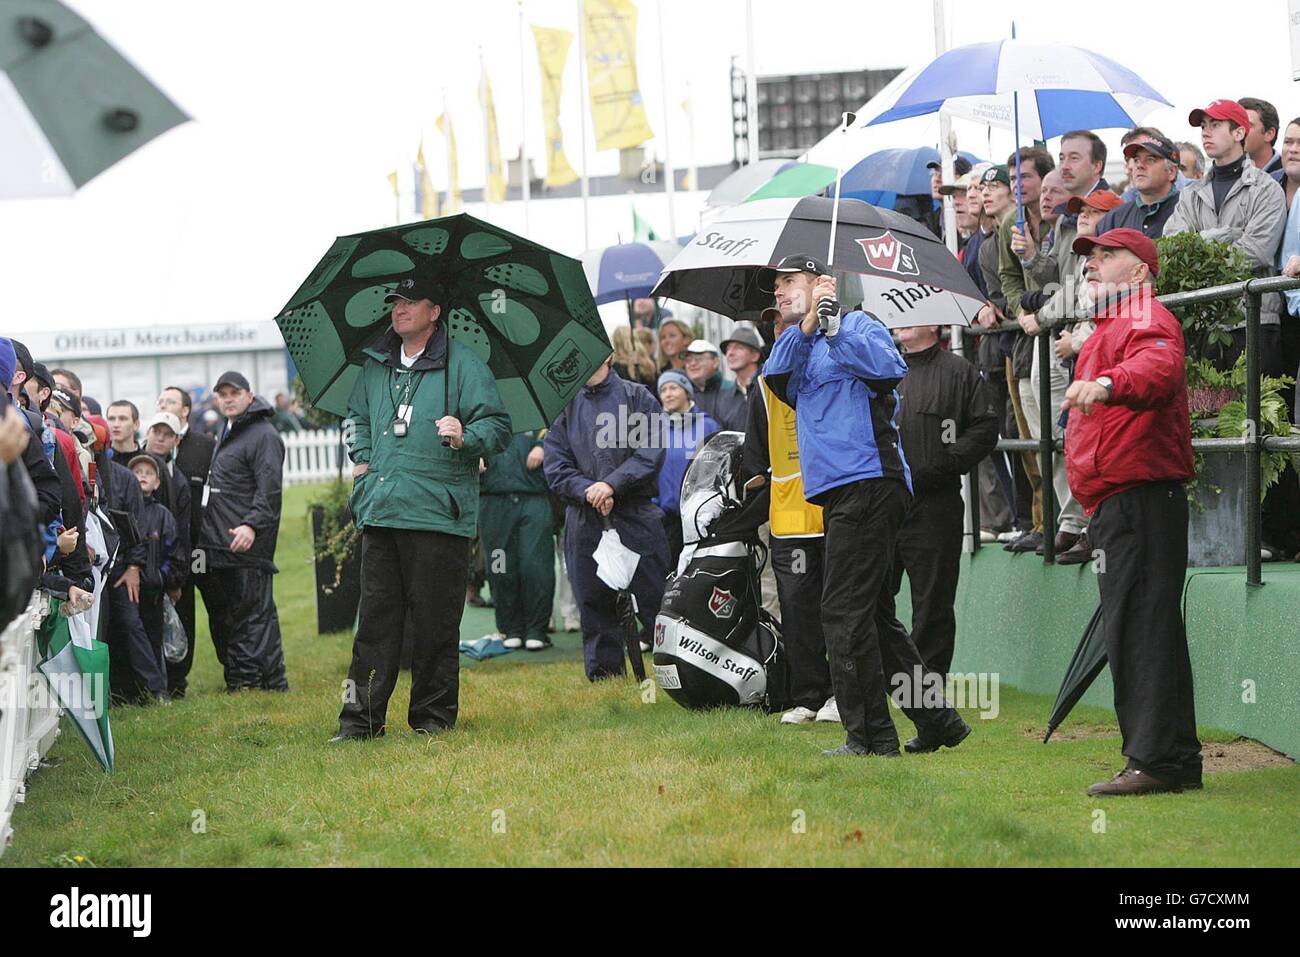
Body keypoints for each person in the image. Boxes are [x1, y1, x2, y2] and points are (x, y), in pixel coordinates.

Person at [763, 276, 970, 757]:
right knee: (873, 616)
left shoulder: (860, 324)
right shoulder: (799, 343)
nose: (778, 292)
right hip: (843, 491)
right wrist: (812, 322)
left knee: (842, 612)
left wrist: (835, 326)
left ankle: (872, 737)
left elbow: (886, 368)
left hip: (869, 482)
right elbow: (777, 377)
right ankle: (937, 721)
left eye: (788, 283)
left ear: (821, 283)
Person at [334, 277, 510, 738]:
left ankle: (432, 720)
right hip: (382, 510)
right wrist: (363, 457)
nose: (400, 309)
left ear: (435, 311)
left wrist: (466, 435)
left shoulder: (464, 365)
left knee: (435, 625)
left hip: (438, 515)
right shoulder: (374, 365)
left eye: (411, 302)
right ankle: (359, 722)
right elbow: (354, 418)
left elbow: (497, 425)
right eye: (396, 301)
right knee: (374, 625)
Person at [1063, 228, 1200, 796]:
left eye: (1107, 255)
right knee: (1146, 626)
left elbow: (1160, 369)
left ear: (1140, 271)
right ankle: (1171, 759)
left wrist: (1106, 381)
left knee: (1141, 628)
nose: (1093, 264)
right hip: (1122, 499)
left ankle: (1157, 761)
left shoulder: (1146, 316)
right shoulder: (1114, 323)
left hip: (1139, 496)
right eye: (1090, 256)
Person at [742, 262, 834, 726]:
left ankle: (841, 693)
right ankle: (809, 695)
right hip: (788, 514)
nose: (777, 326)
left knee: (835, 605)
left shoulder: (832, 355)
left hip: (834, 502)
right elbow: (754, 455)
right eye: (773, 325)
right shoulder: (762, 383)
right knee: (797, 608)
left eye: (781, 315)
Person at [544, 355, 669, 681]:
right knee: (593, 601)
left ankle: (672, 672)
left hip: (635, 513)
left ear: (609, 355)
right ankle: (606, 679)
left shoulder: (639, 397)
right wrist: (589, 490)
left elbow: (650, 452)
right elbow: (555, 467)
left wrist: (611, 484)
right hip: (584, 518)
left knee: (654, 597)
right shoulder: (564, 407)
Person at [892, 324, 1000, 679]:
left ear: (934, 322)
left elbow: (985, 428)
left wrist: (946, 463)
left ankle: (927, 692)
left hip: (935, 505)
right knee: (871, 598)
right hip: (884, 504)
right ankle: (878, 679)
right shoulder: (882, 368)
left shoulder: (960, 372)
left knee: (933, 604)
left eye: (913, 311)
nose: (901, 319)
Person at [1165, 99, 1288, 375]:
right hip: (1203, 326)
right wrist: (1229, 235)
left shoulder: (1266, 189)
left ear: (1239, 133)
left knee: (1256, 416)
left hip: (1255, 320)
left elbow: (1256, 251)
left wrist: (1201, 242)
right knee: (1207, 417)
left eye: (1215, 125)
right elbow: (1173, 250)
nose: (1206, 132)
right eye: (1204, 126)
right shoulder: (1190, 193)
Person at [196, 371, 290, 694]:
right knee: (247, 614)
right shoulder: (231, 430)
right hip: (225, 544)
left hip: (248, 543)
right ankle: (272, 682)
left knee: (250, 616)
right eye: (222, 394)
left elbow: (270, 491)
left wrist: (252, 525)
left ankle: (246, 684)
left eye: (234, 393)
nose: (228, 399)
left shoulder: (262, 435)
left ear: (250, 395)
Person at [997, 148, 1058, 553]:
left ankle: (1067, 522)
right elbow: (1006, 276)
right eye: (1013, 178)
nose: (1019, 185)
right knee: (1028, 434)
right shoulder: (1008, 222)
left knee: (1060, 432)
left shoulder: (1059, 215)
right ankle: (1040, 521)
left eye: (1027, 177)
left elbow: (1063, 272)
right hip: (1023, 336)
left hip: (1061, 324)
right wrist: (1020, 307)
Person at [156, 386, 214, 697]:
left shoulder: (204, 445)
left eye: (171, 401)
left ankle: (180, 677)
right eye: (161, 401)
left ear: (185, 410)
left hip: (197, 544)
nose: (164, 404)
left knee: (191, 606)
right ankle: (168, 676)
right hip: (164, 544)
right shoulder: (150, 448)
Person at [479, 430, 555, 652]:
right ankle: (510, 628)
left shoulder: (534, 407)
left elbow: (559, 430)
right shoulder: (482, 407)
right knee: (499, 565)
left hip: (533, 497)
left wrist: (542, 445)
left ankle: (536, 629)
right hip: (493, 502)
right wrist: (473, 453)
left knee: (536, 565)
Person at [653, 369, 719, 570]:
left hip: (700, 517)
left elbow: (718, 468)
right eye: (663, 390)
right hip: (666, 518)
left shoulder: (707, 425)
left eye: (673, 387)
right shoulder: (654, 429)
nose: (668, 393)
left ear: (687, 392)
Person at [128, 453, 184, 683]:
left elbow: (173, 551)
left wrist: (167, 580)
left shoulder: (163, 515)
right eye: (137, 472)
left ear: (157, 483)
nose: (143, 477)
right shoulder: (125, 510)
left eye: (148, 473)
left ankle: (157, 687)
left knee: (154, 638)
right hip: (128, 588)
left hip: (153, 590)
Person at [1097, 135, 1182, 239]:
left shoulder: (1188, 211)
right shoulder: (1114, 218)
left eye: (1150, 160)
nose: (1139, 165)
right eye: (1136, 160)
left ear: (1171, 171)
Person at [682, 339, 746, 431]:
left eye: (699, 359)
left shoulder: (733, 390)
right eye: (688, 360)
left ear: (715, 362)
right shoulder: (683, 395)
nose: (692, 364)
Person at [719, 321, 764, 402]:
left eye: (739, 347)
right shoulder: (725, 399)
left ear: (755, 356)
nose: (730, 353)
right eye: (728, 349)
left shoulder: (769, 387)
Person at [1239, 96, 1283, 176]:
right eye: (1236, 125)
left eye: (1247, 125)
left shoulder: (1289, 176)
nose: (1239, 132)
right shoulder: (1227, 173)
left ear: (1269, 134)